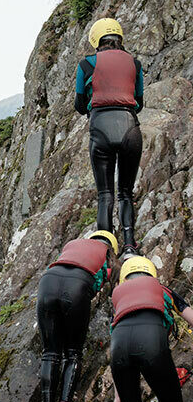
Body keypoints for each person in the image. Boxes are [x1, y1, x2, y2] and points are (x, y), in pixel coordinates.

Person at [108, 256, 193, 402]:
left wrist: (119, 394)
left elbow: (116, 338)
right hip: (151, 341)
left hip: (119, 348)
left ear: (125, 277)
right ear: (151, 275)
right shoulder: (162, 290)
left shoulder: (119, 297)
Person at [36, 230, 119, 402]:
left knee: (50, 353)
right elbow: (115, 286)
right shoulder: (106, 255)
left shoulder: (72, 245)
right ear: (112, 247)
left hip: (48, 281)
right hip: (78, 285)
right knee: (72, 353)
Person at [74, 18, 144, 258]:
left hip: (100, 128)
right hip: (129, 128)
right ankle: (129, 245)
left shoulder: (86, 64)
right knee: (126, 192)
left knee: (105, 194)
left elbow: (79, 104)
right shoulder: (135, 63)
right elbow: (140, 101)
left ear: (95, 39)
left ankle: (105, 247)